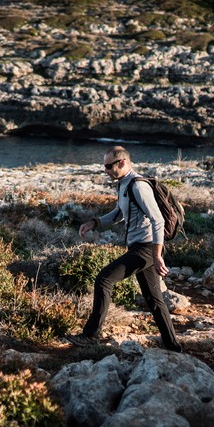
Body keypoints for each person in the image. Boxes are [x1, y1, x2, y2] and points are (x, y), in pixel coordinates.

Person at [68, 146, 184, 352]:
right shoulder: (123, 184)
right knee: (154, 300)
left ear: (121, 162)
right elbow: (118, 213)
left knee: (104, 279)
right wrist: (94, 222)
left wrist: (157, 255)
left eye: (108, 166)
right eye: (104, 167)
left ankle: (90, 335)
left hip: (146, 248)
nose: (105, 170)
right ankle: (173, 347)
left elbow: (157, 219)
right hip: (140, 247)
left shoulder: (138, 186)